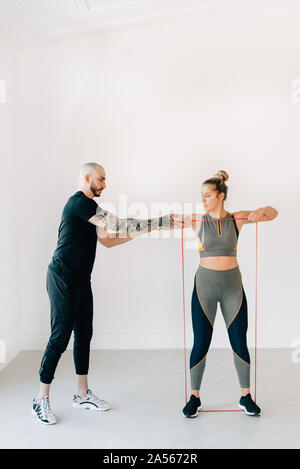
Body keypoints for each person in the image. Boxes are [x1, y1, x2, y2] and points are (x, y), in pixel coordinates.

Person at [32, 162, 176, 425]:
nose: (105, 184)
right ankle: (40, 399)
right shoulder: (79, 203)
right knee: (60, 336)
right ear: (87, 177)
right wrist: (159, 221)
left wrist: (149, 229)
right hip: (62, 277)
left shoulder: (90, 210)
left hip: (80, 279)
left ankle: (82, 393)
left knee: (84, 334)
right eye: (101, 179)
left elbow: (108, 239)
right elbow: (118, 223)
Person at [181, 170, 278, 418]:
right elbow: (165, 220)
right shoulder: (197, 221)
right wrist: (129, 227)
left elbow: (272, 213)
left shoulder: (237, 218)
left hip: (232, 287)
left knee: (239, 341)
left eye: (208, 195)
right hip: (205, 287)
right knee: (201, 341)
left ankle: (245, 397)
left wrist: (260, 210)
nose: (203, 199)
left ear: (221, 196)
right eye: (201, 195)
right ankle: (194, 397)